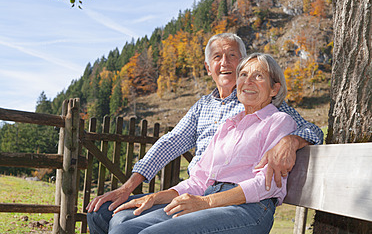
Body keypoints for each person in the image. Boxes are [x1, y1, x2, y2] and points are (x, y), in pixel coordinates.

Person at [87, 33, 323, 233]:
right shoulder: (219, 117)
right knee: (114, 220)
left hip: (241, 201)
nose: (226, 63)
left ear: (273, 87)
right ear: (208, 67)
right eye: (218, 57)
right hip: (201, 189)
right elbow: (172, 144)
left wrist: (291, 141)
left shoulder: (274, 112)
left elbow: (310, 131)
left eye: (232, 56)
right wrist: (136, 190)